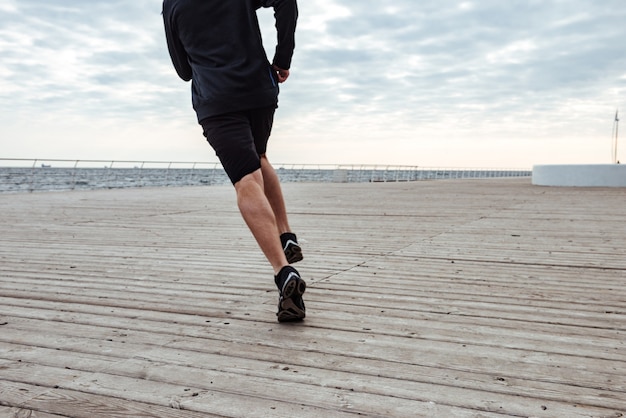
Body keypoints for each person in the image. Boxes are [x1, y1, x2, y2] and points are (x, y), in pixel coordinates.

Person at [162, 0, 305, 322]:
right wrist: (283, 58)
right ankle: (286, 234)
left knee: (245, 179)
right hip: (259, 89)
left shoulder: (171, 5)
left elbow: (183, 70)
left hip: (217, 98)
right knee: (260, 156)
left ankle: (284, 273)